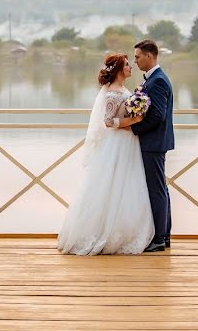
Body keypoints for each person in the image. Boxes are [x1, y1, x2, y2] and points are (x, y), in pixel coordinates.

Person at [57, 53, 155, 255]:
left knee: (128, 183)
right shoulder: (111, 93)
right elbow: (109, 122)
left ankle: (124, 231)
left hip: (128, 142)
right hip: (117, 143)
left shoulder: (124, 89)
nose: (131, 67)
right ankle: (103, 233)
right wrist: (134, 121)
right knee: (111, 183)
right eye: (128, 65)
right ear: (119, 69)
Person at [130, 39, 175, 252]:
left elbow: (157, 115)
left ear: (150, 56)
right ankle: (163, 236)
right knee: (161, 189)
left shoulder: (157, 81)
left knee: (156, 190)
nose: (135, 61)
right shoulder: (154, 79)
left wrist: (133, 128)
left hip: (153, 142)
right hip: (156, 141)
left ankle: (159, 238)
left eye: (138, 57)